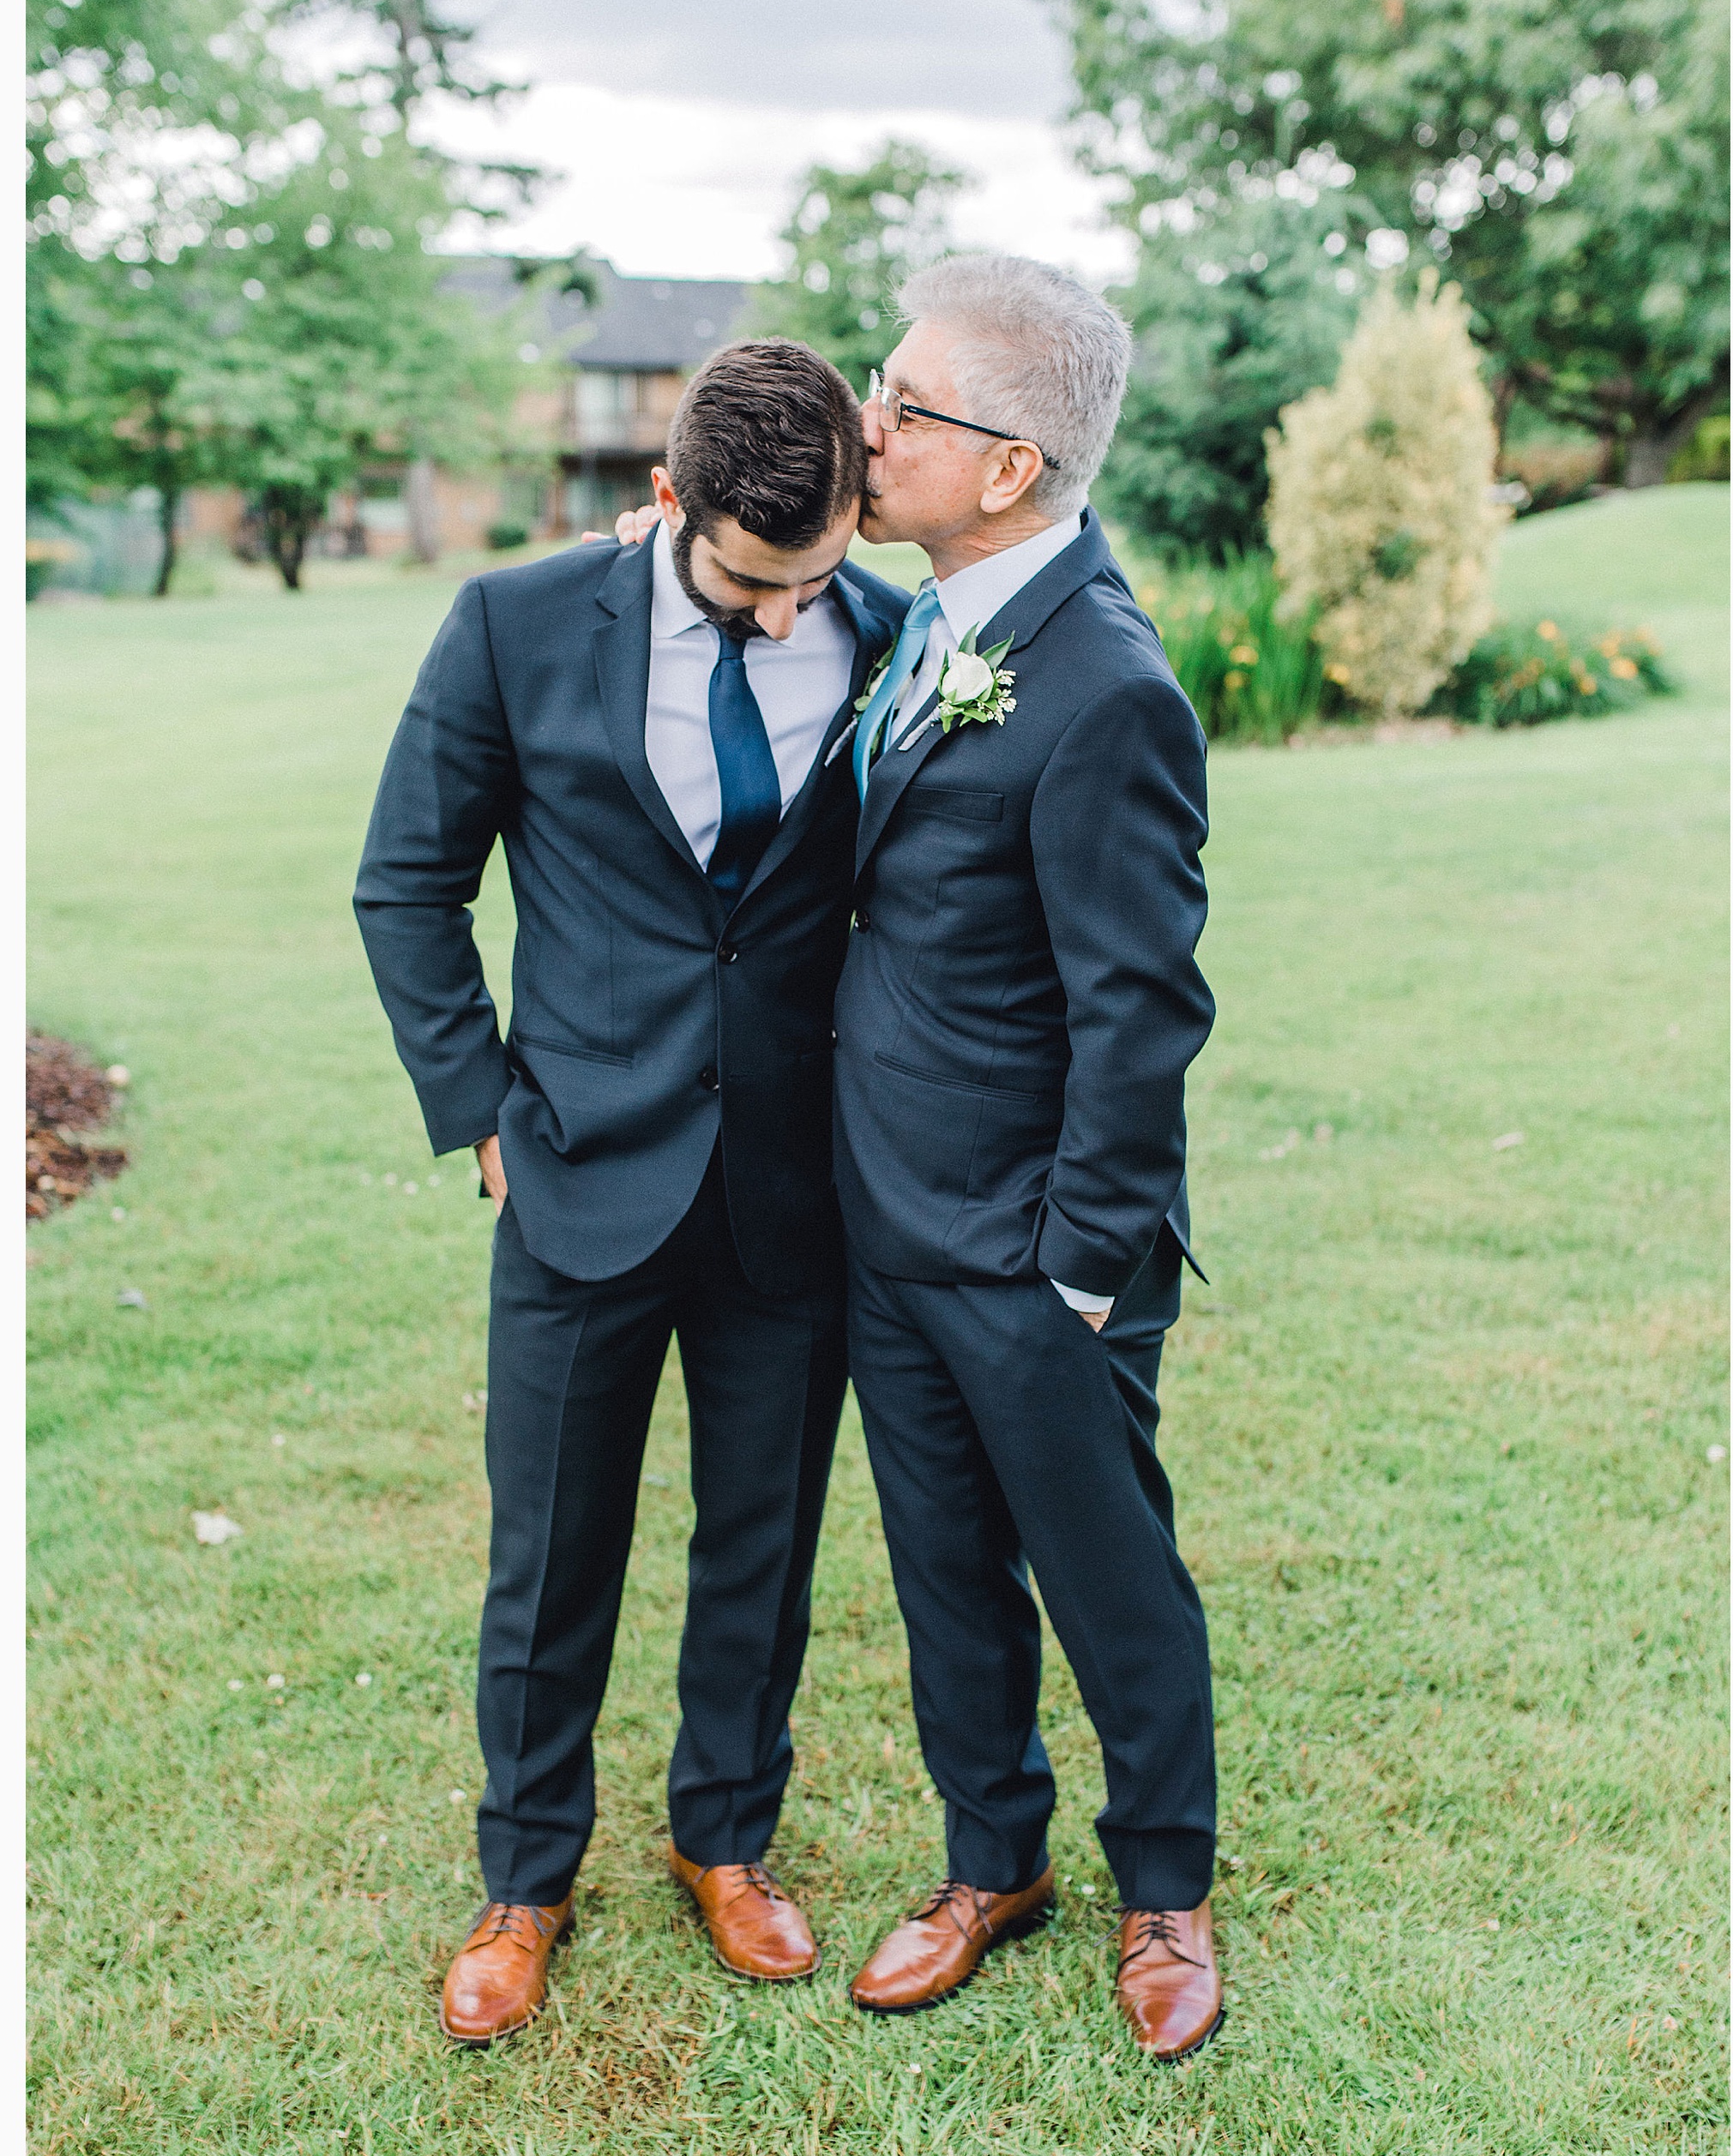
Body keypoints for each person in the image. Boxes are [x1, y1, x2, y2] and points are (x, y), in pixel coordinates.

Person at [354, 340, 908, 2043]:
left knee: (761, 1536)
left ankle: (724, 1840)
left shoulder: (895, 638)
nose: (784, 610)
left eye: (811, 575)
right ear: (665, 501)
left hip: (791, 1183)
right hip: (579, 1167)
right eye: (754, 581)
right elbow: (405, 887)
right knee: (549, 1554)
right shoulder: (513, 630)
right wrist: (481, 1109)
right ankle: (524, 1879)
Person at [836, 253, 1222, 2062]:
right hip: (885, 1217)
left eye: (904, 405)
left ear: (1006, 466)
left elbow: (1140, 1011)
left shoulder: (1104, 686)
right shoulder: (917, 618)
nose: (868, 424)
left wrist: (1075, 1266)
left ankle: (1164, 1890)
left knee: (1102, 1567)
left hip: (1033, 1246)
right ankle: (993, 1858)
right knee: (939, 1565)